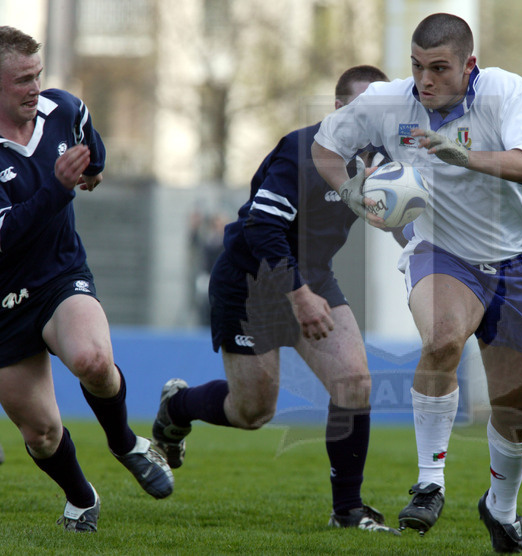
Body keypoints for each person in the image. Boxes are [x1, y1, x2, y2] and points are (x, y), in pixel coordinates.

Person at [312, 13, 522, 553]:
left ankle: (502, 508)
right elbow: (325, 147)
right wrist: (352, 191)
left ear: (469, 66)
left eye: (440, 68)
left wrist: (463, 156)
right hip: (441, 251)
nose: (426, 80)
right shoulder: (388, 101)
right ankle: (429, 482)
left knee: (514, 411)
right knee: (442, 338)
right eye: (418, 67)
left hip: (519, 262)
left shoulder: (507, 93)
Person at [151, 65, 399, 535]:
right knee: (253, 413)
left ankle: (348, 509)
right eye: (364, 109)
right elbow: (263, 227)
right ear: (339, 109)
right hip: (252, 281)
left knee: (355, 382)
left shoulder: (384, 159)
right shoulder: (302, 150)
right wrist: (299, 295)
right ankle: (177, 408)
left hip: (315, 276)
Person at [0, 27, 173, 533]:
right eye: (20, 81)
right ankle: (81, 498)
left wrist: (90, 170)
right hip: (5, 303)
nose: (34, 88)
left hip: (60, 275)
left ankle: (125, 443)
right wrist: (57, 187)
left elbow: (92, 156)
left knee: (93, 361)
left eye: (37, 76)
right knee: (43, 434)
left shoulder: (64, 109)